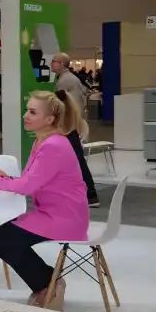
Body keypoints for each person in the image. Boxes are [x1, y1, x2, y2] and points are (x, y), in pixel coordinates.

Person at [0, 90, 89, 309]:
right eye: (27, 110)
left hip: (64, 217)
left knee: (3, 239)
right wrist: (6, 178)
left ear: (50, 119)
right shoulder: (43, 142)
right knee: (4, 238)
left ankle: (47, 283)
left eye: (33, 112)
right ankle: (47, 283)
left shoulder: (53, 145)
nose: (25, 115)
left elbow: (28, 186)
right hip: (53, 213)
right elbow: (29, 180)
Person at [50, 52, 99, 207]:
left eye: (54, 61)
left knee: (77, 160)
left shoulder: (66, 81)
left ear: (61, 64)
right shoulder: (68, 79)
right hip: (70, 125)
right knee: (72, 160)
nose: (51, 63)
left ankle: (90, 195)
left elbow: (63, 105)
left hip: (68, 127)